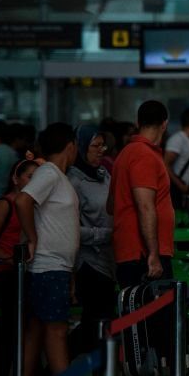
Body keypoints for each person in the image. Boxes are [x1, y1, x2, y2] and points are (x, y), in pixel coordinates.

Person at [14, 123, 92, 376]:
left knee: (36, 331)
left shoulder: (57, 176)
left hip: (55, 266)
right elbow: (23, 200)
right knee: (57, 331)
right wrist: (32, 238)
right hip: (48, 265)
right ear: (71, 146)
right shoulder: (48, 173)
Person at [109, 100, 176, 376]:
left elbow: (113, 205)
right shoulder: (143, 156)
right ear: (164, 123)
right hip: (145, 255)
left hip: (133, 251)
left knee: (140, 326)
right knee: (150, 326)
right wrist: (152, 253)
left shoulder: (125, 155)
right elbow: (145, 206)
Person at [0, 159, 38, 376]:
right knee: (10, 332)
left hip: (23, 271)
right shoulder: (6, 204)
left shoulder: (32, 206)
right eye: (29, 177)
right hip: (5, 271)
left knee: (28, 331)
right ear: (16, 179)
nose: (33, 183)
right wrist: (10, 260)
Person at [67, 125, 117, 358]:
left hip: (108, 262)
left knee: (100, 324)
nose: (101, 150)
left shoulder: (104, 174)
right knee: (94, 325)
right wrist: (104, 233)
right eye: (95, 146)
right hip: (89, 263)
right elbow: (70, 229)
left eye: (102, 145)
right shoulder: (73, 181)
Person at [164, 108, 189, 214]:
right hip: (180, 195)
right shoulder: (177, 139)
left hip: (188, 195)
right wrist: (181, 186)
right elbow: (165, 164)